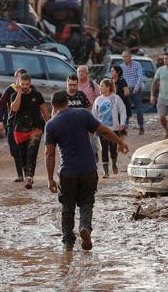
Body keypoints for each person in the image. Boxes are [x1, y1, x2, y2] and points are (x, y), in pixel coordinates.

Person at [44, 91, 128, 251]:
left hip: (68, 172)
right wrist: (120, 143)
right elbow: (104, 131)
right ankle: (85, 228)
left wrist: (50, 179)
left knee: (67, 208)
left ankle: (68, 242)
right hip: (88, 169)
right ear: (67, 102)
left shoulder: (51, 124)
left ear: (53, 106)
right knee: (86, 203)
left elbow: (49, 153)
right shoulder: (82, 114)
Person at [9, 73, 50, 190]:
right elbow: (15, 108)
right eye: (23, 84)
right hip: (19, 130)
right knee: (23, 155)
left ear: (30, 83)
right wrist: (19, 93)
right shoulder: (14, 95)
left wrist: (50, 125)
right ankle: (27, 174)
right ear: (18, 84)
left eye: (27, 84)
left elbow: (44, 111)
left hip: (36, 128)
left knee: (32, 153)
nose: (25, 86)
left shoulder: (37, 95)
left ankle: (29, 177)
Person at [92, 79, 127, 177]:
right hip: (102, 129)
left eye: (102, 86)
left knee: (113, 148)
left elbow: (123, 111)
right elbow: (94, 115)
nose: (100, 87)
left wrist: (122, 123)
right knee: (103, 149)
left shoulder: (116, 98)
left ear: (108, 87)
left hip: (114, 129)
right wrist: (93, 127)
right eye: (100, 85)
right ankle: (106, 171)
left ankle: (114, 163)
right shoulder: (98, 100)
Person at [0, 68, 27, 182]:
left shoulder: (31, 90)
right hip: (12, 123)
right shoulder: (10, 90)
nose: (22, 81)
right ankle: (20, 174)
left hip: (26, 124)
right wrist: (0, 120)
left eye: (24, 78)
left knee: (26, 149)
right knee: (14, 150)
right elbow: (1, 105)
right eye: (20, 78)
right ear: (16, 79)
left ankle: (27, 173)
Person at [121, 50, 145, 134]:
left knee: (139, 109)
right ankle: (124, 127)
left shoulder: (137, 65)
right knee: (125, 109)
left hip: (136, 90)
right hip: (126, 90)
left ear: (130, 57)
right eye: (123, 57)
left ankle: (141, 127)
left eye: (126, 56)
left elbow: (140, 76)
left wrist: (136, 87)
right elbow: (121, 79)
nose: (124, 58)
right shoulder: (121, 66)